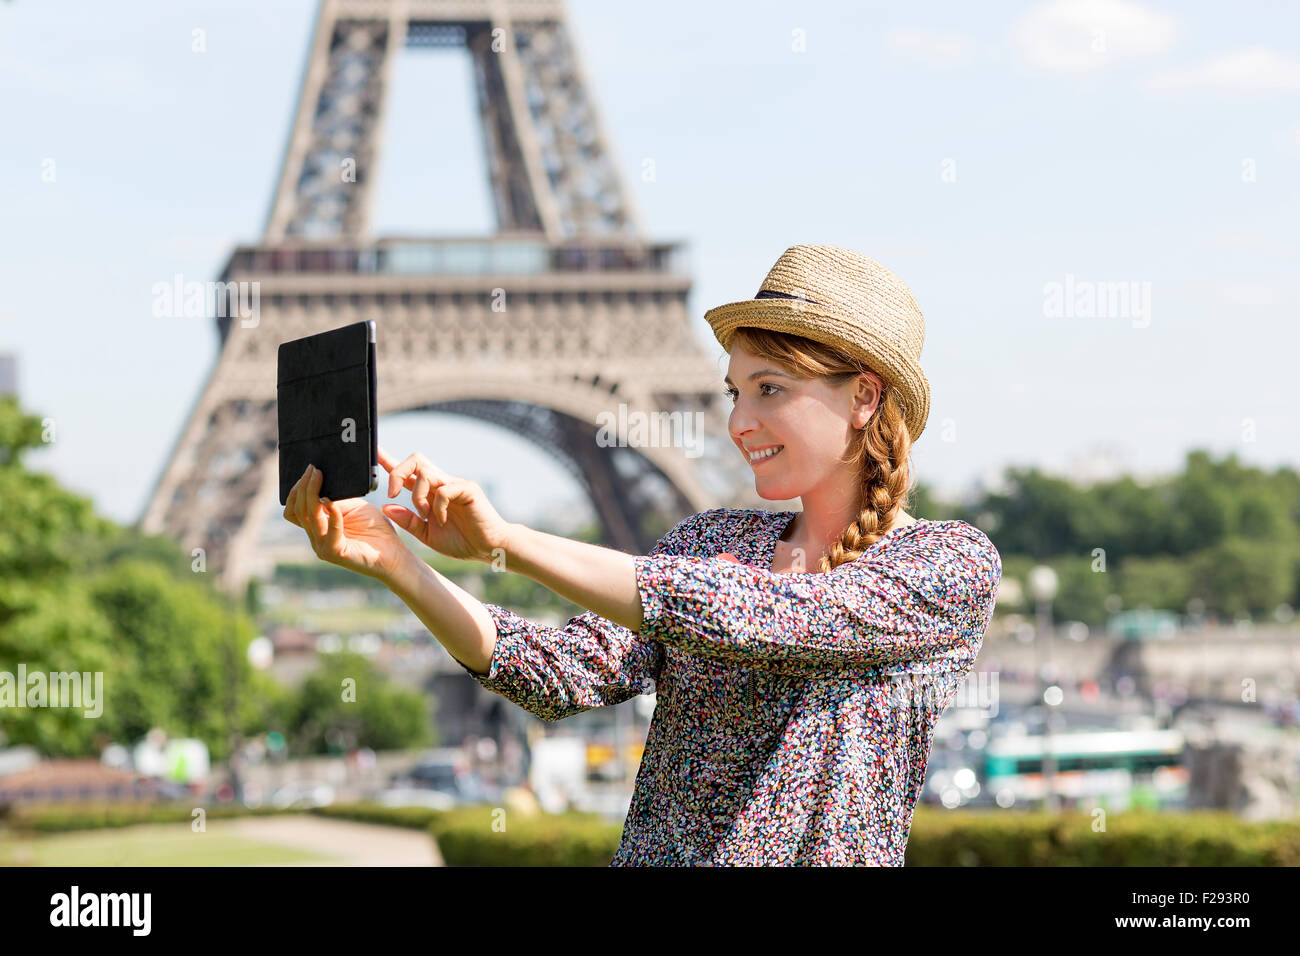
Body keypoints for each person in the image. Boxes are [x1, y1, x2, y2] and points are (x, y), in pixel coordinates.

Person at [283, 243, 1002, 865]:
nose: (738, 422)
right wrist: (399, 563)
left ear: (865, 396)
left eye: (770, 390)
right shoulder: (709, 542)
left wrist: (507, 543)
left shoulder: (948, 565)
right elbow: (555, 673)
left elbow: (761, 617)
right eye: (733, 393)